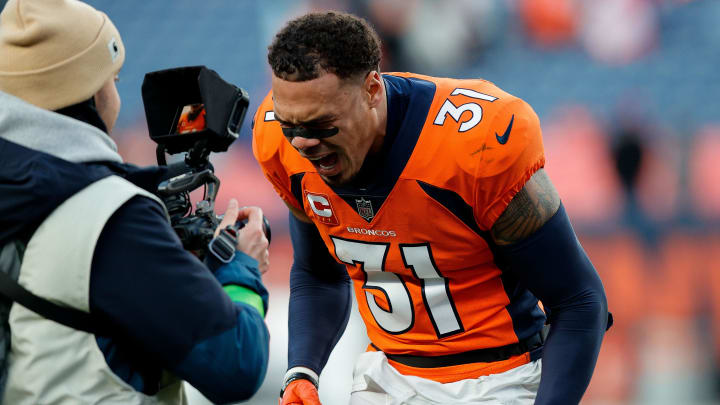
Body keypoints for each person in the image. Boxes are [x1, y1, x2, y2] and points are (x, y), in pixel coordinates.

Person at [252, 11, 611, 405]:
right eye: (291, 126)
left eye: (321, 125)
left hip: (499, 381)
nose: (302, 143)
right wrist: (302, 369)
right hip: (388, 376)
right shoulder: (281, 143)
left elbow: (578, 300)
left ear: (372, 90)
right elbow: (318, 273)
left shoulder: (472, 145)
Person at [0, 0, 270, 404]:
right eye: (114, 78)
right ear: (89, 92)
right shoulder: (112, 218)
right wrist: (240, 266)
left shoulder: (24, 187)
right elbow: (238, 364)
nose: (117, 92)